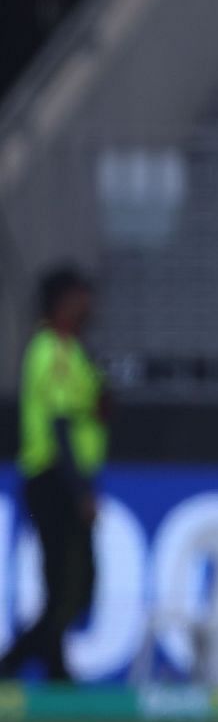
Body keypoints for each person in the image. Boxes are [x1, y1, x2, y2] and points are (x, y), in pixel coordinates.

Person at [0, 269, 106, 684]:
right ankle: (14, 665)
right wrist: (80, 491)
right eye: (82, 298)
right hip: (53, 479)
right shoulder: (53, 350)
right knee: (70, 586)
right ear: (63, 303)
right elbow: (60, 427)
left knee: (68, 586)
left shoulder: (74, 351)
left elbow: (89, 411)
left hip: (63, 478)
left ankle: (56, 672)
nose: (90, 307)